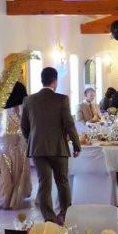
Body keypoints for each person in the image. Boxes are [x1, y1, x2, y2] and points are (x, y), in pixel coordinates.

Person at [21, 67, 81, 224]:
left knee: (44, 183)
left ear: (42, 80)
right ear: (55, 81)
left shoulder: (29, 100)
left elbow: (24, 127)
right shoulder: (62, 99)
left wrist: (33, 140)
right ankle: (66, 214)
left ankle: (49, 219)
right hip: (58, 147)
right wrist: (76, 144)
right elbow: (69, 124)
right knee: (62, 182)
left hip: (38, 148)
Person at [0, 81, 32, 209]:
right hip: (16, 141)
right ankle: (12, 198)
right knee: (17, 170)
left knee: (5, 170)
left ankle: (5, 196)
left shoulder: (2, 102)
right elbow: (23, 125)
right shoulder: (19, 107)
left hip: (3, 141)